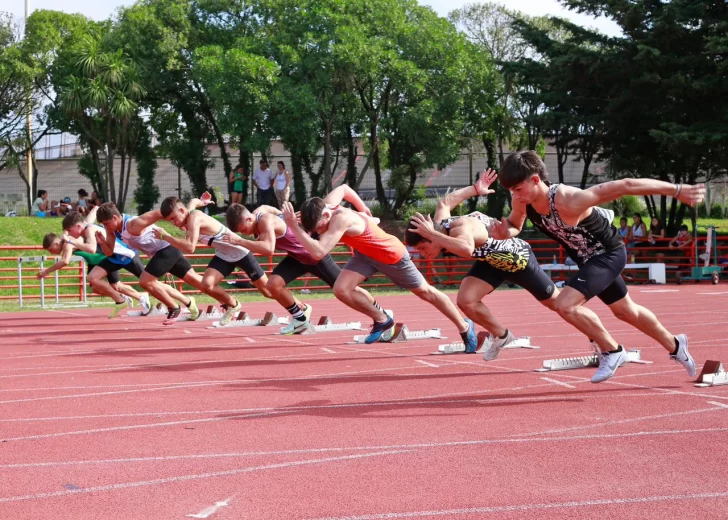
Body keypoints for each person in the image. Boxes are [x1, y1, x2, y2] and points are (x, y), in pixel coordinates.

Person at [491, 150, 703, 382]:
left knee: (565, 304)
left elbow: (626, 185)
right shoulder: (523, 199)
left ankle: (612, 350)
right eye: (511, 191)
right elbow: (515, 222)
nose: (515, 196)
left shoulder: (569, 199)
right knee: (626, 311)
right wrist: (506, 233)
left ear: (534, 180)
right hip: (588, 260)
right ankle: (676, 345)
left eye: (518, 189)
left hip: (609, 253)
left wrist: (677, 190)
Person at [282, 185, 478, 349]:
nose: (318, 232)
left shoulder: (340, 219)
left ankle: (464, 326)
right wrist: (363, 207)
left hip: (390, 255)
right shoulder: (327, 206)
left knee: (426, 292)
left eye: (318, 227)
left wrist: (294, 226)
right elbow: (343, 188)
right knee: (341, 289)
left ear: (326, 214)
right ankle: (382, 319)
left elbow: (318, 252)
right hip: (365, 255)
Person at [406, 169, 558, 357]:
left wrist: (431, 234)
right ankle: (502, 335)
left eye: (422, 249)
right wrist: (475, 189)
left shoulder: (461, 227)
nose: (423, 255)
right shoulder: (440, 225)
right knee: (466, 300)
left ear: (432, 238)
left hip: (517, 260)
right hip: (490, 263)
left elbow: (466, 248)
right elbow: (444, 202)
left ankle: (598, 339)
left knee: (558, 303)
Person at [225, 202, 381, 335]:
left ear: (249, 218)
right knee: (272, 284)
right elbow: (266, 206)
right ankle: (300, 319)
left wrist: (240, 241)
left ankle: (381, 313)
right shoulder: (259, 213)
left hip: (313, 255)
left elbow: (268, 249)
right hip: (296, 258)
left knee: (347, 289)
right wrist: (284, 217)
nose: (244, 233)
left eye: (243, 230)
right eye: (241, 233)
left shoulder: (265, 220)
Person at [152, 196, 273, 326]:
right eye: (170, 221)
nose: (173, 223)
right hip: (223, 256)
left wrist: (166, 237)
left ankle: (296, 306)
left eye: (173, 218)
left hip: (240, 251)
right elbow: (193, 201)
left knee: (268, 291)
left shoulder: (194, 218)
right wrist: (202, 202)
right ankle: (233, 305)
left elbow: (190, 247)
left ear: (182, 211)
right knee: (206, 285)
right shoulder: (188, 212)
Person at [95, 202, 202, 325]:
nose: (105, 227)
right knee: (195, 279)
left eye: (106, 224)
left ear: (114, 218)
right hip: (161, 253)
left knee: (145, 281)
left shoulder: (133, 224)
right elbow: (109, 253)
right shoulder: (112, 230)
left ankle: (174, 307)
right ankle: (192, 303)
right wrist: (102, 243)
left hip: (167, 249)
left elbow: (159, 213)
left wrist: (182, 224)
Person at [61, 210, 151, 318]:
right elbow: (91, 214)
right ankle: (120, 300)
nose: (69, 234)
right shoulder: (85, 228)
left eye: (70, 230)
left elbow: (92, 249)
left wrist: (70, 242)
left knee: (151, 283)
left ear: (78, 226)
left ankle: (173, 305)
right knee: (93, 277)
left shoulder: (89, 229)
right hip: (113, 258)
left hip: (127, 256)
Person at [39, 232, 143, 309]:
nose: (52, 253)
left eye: (51, 250)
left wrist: (46, 271)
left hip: (103, 258)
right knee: (96, 289)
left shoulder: (67, 244)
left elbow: (65, 261)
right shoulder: (66, 238)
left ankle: (141, 297)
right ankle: (121, 296)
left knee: (116, 286)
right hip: (94, 262)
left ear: (56, 244)